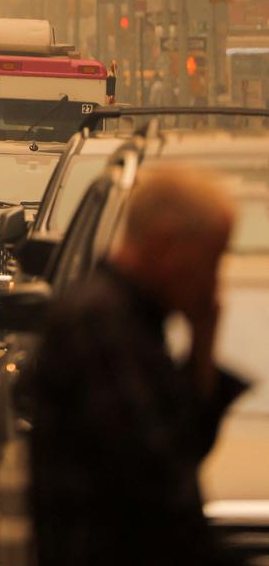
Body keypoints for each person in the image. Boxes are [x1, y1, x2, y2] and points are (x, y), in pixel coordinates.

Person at [28, 165, 246, 565]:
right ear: (165, 245)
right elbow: (157, 480)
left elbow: (181, 446)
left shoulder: (131, 322)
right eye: (209, 260)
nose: (212, 282)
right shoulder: (103, 327)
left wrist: (203, 340)